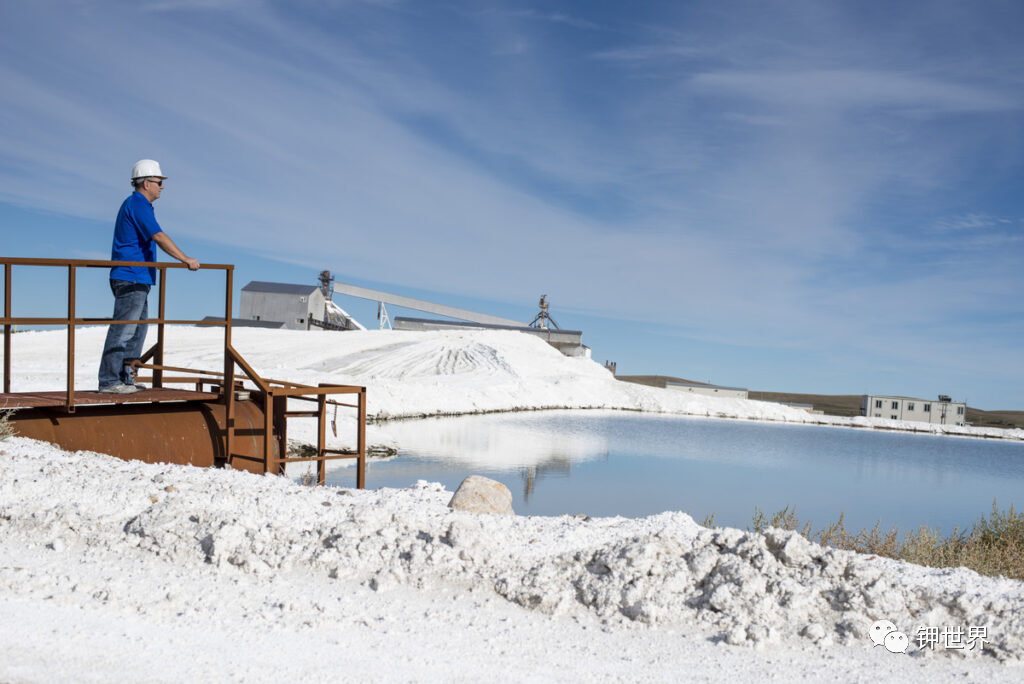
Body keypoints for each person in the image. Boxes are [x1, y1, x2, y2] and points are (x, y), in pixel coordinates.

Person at [98, 159, 200, 393]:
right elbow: (159, 236)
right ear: (146, 183)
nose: (162, 186)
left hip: (140, 277)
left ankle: (125, 378)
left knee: (137, 330)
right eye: (159, 182)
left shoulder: (140, 205)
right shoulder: (137, 204)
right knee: (124, 329)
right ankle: (109, 381)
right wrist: (185, 258)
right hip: (131, 275)